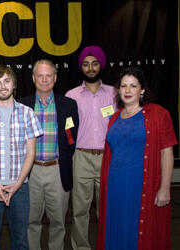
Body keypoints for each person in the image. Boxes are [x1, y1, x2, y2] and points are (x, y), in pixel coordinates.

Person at [96, 66, 178, 250]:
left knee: (138, 231)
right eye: (123, 86)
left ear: (142, 90)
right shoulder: (114, 117)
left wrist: (165, 188)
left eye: (133, 86)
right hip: (115, 186)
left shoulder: (158, 114)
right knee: (115, 228)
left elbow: (167, 152)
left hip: (142, 185)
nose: (127, 90)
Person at [0, 65, 43, 249]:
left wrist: (18, 183)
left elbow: (31, 153)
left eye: (7, 81)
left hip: (20, 188)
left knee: (20, 241)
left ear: (14, 84)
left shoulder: (27, 113)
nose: (3, 86)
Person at [20, 59, 79, 250]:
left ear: (55, 78)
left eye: (48, 75)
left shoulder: (69, 105)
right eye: (40, 75)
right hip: (31, 172)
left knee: (59, 222)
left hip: (58, 171)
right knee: (31, 222)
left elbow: (72, 138)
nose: (44, 80)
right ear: (33, 78)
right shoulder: (22, 106)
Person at [65, 45, 116, 250]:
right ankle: (81, 247)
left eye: (95, 63)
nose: (91, 68)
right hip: (81, 157)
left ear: (101, 66)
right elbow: (67, 128)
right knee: (79, 210)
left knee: (106, 209)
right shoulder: (72, 95)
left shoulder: (114, 93)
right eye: (86, 64)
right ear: (81, 68)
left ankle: (108, 245)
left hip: (108, 157)